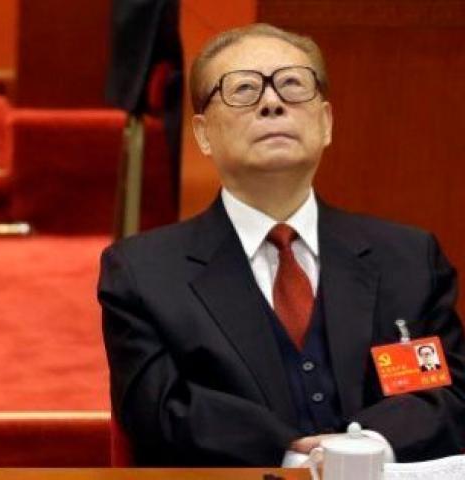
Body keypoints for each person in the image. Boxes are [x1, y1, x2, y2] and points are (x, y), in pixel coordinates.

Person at [98, 23, 465, 466]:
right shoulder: (144, 272)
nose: (272, 103)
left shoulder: (408, 259)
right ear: (203, 134)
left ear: (326, 123)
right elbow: (158, 411)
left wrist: (366, 449)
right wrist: (289, 454)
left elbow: (450, 393)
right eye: (243, 89)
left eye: (292, 85)